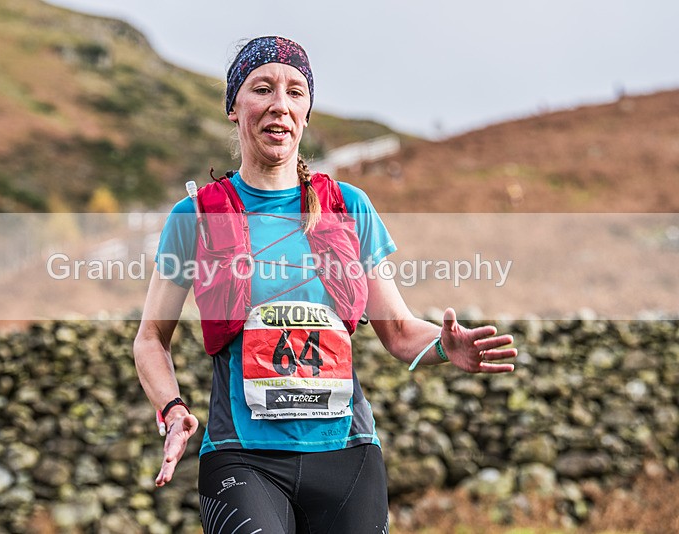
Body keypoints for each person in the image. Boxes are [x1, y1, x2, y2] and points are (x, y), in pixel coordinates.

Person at [133, 36, 517, 533]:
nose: (279, 105)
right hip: (243, 460)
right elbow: (150, 339)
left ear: (307, 111)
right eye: (262, 89)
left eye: (295, 92)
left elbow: (399, 331)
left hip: (348, 458)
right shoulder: (196, 217)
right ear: (234, 106)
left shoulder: (349, 207)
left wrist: (444, 347)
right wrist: (172, 409)